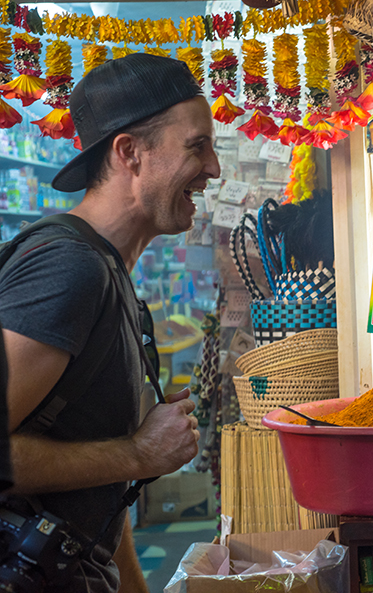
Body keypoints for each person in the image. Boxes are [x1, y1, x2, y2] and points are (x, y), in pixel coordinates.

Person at [0, 53, 219, 592]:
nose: (214, 168)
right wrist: (140, 452)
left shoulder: (107, 273)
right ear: (130, 153)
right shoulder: (70, 269)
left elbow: (94, 496)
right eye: (197, 146)